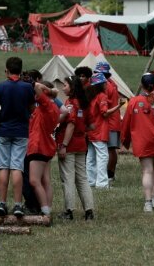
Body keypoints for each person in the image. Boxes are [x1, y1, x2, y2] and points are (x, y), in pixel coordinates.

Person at [0, 56, 34, 218]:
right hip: (21, 131)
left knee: (2, 167)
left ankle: (2, 202)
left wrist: (1, 113)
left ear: (7, 70)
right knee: (17, 167)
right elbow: (32, 108)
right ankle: (18, 204)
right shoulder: (27, 88)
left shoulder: (1, 87)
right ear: (20, 70)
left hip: (3, 131)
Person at [121, 73, 154, 212]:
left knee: (147, 171)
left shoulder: (134, 101)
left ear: (142, 85)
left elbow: (126, 123)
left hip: (142, 140)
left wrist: (125, 139)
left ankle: (148, 203)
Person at [56, 76, 94, 220]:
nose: (62, 88)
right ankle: (89, 210)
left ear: (72, 87)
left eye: (65, 85)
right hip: (81, 144)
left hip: (70, 145)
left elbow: (71, 124)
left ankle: (69, 210)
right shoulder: (85, 104)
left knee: (68, 178)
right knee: (82, 178)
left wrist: (64, 145)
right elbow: (91, 125)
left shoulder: (71, 104)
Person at [27, 82, 60, 216]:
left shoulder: (47, 105)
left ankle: (44, 209)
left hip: (39, 146)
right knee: (45, 180)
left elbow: (37, 86)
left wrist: (49, 90)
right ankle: (48, 209)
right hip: (46, 146)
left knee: (34, 180)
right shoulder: (51, 107)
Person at [85, 73, 114, 189]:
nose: (106, 84)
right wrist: (117, 107)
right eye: (104, 82)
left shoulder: (90, 96)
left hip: (91, 130)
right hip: (100, 130)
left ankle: (90, 181)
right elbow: (105, 113)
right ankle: (102, 183)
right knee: (103, 156)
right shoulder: (102, 96)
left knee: (90, 157)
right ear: (100, 85)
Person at [95, 62, 122, 182]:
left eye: (97, 73)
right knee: (111, 149)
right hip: (113, 120)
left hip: (110, 121)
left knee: (110, 149)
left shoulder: (105, 86)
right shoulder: (111, 82)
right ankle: (110, 173)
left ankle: (109, 174)